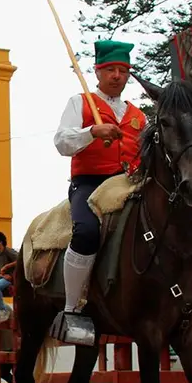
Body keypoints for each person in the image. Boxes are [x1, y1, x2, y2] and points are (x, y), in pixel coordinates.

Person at [52, 39, 148, 341]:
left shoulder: (139, 115)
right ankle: (71, 310)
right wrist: (92, 132)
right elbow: (62, 142)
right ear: (98, 71)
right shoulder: (80, 103)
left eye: (123, 70)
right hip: (90, 183)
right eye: (111, 70)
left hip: (130, 182)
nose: (117, 75)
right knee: (86, 233)